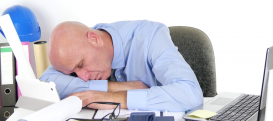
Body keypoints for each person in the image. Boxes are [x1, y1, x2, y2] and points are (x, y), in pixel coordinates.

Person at [40, 20, 203, 112]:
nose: (82, 77)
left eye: (81, 65)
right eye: (73, 72)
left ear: (95, 40)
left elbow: (190, 93)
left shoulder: (150, 37)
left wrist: (113, 98)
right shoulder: (76, 49)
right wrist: (115, 87)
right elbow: (46, 84)